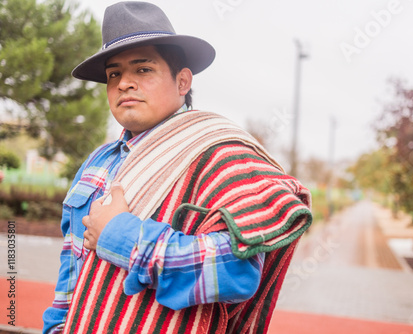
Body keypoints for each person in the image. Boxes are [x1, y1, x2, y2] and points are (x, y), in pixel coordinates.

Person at [43, 2, 312, 333]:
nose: (124, 83)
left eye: (143, 69)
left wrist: (122, 237)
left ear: (183, 82)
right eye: (114, 74)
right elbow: (71, 273)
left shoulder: (217, 155)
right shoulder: (97, 163)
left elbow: (236, 271)